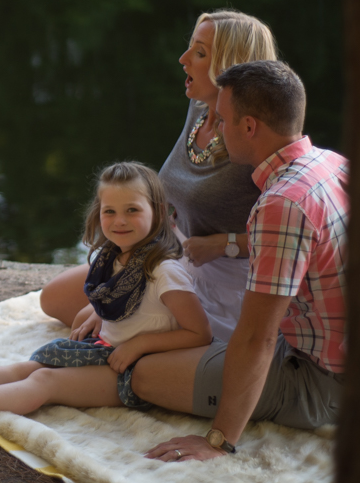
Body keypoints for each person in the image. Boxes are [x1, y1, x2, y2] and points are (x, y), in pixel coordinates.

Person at [139, 60, 348, 462]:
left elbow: (259, 338)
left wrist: (218, 440)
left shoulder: (282, 202)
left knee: (147, 376)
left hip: (325, 383)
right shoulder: (331, 163)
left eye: (221, 119)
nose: (215, 129)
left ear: (249, 127)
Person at [0, 162, 212, 424]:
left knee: (45, 382)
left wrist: (139, 345)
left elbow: (199, 333)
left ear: (157, 212)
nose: (119, 220)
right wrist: (96, 312)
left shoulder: (164, 270)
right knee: (30, 366)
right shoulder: (114, 257)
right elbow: (126, 304)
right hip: (107, 351)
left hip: (136, 372)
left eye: (132, 210)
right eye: (110, 211)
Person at [41, 10, 277, 342]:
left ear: (230, 65)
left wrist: (226, 244)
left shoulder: (254, 136)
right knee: (57, 298)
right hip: (175, 254)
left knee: (110, 330)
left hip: (229, 280)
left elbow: (288, 236)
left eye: (199, 53)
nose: (183, 60)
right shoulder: (199, 108)